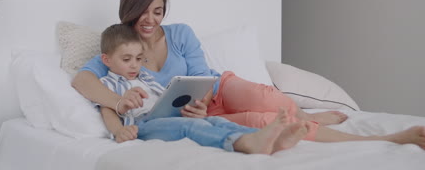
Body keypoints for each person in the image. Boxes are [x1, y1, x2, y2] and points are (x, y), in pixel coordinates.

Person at [73, 0, 425, 150]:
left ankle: (310, 116)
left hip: (216, 89)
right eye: (144, 11)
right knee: (269, 122)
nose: (151, 19)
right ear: (128, 11)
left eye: (158, 11)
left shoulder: (179, 32)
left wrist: (200, 100)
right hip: (193, 115)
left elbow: (200, 75)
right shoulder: (122, 50)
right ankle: (385, 139)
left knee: (270, 101)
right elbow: (83, 81)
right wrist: (118, 104)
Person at [96, 23, 308, 154]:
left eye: (139, 59)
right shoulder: (109, 83)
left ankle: (268, 137)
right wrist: (119, 130)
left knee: (213, 121)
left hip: (167, 117)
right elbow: (107, 110)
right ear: (107, 59)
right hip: (143, 127)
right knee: (188, 129)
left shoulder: (145, 76)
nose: (134, 65)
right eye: (127, 59)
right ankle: (242, 142)